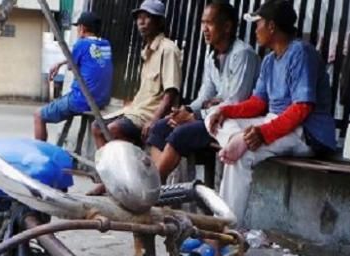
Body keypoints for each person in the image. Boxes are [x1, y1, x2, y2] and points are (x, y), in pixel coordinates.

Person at [205, 0, 337, 223]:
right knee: (213, 117)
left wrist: (262, 133)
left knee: (242, 156)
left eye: (259, 24)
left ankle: (224, 231)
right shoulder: (269, 61)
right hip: (276, 122)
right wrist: (226, 111)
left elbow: (302, 108)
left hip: (306, 132)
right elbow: (258, 103)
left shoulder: (301, 53)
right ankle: (236, 140)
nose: (256, 30)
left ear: (272, 26)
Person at [147, 0, 260, 182]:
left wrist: (196, 116)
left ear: (227, 27)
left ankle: (152, 187)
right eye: (202, 23)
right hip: (212, 117)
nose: (204, 29)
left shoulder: (242, 54)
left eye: (210, 23)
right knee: (162, 126)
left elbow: (236, 101)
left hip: (231, 121)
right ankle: (156, 184)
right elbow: (204, 96)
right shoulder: (211, 56)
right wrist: (187, 111)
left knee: (180, 134)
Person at [90, 0, 182, 150]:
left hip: (149, 114)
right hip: (136, 111)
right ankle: (109, 171)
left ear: (159, 22)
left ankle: (126, 169)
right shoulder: (147, 51)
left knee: (114, 129)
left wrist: (154, 120)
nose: (142, 22)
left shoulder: (168, 49)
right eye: (139, 17)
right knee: (97, 127)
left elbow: (170, 93)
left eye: (147, 17)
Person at [34, 12, 113, 141]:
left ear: (82, 28)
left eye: (78, 28)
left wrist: (62, 63)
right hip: (102, 100)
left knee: (38, 115)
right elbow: (90, 57)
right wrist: (60, 63)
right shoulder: (106, 45)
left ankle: (40, 152)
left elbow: (72, 67)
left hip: (82, 99)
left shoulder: (81, 44)